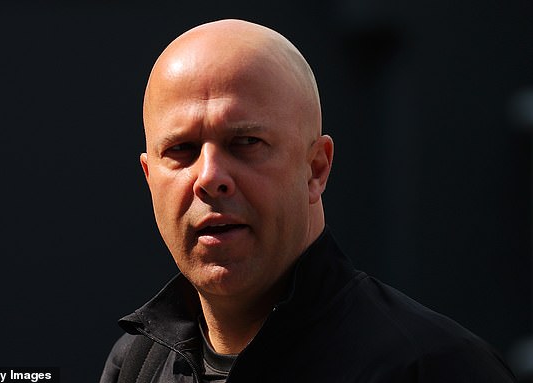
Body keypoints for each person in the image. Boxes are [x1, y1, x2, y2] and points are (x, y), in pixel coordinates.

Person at [100, 19, 516, 383]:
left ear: (316, 169)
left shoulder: (432, 368)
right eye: (181, 150)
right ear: (150, 178)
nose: (209, 178)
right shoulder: (135, 364)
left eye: (245, 142)